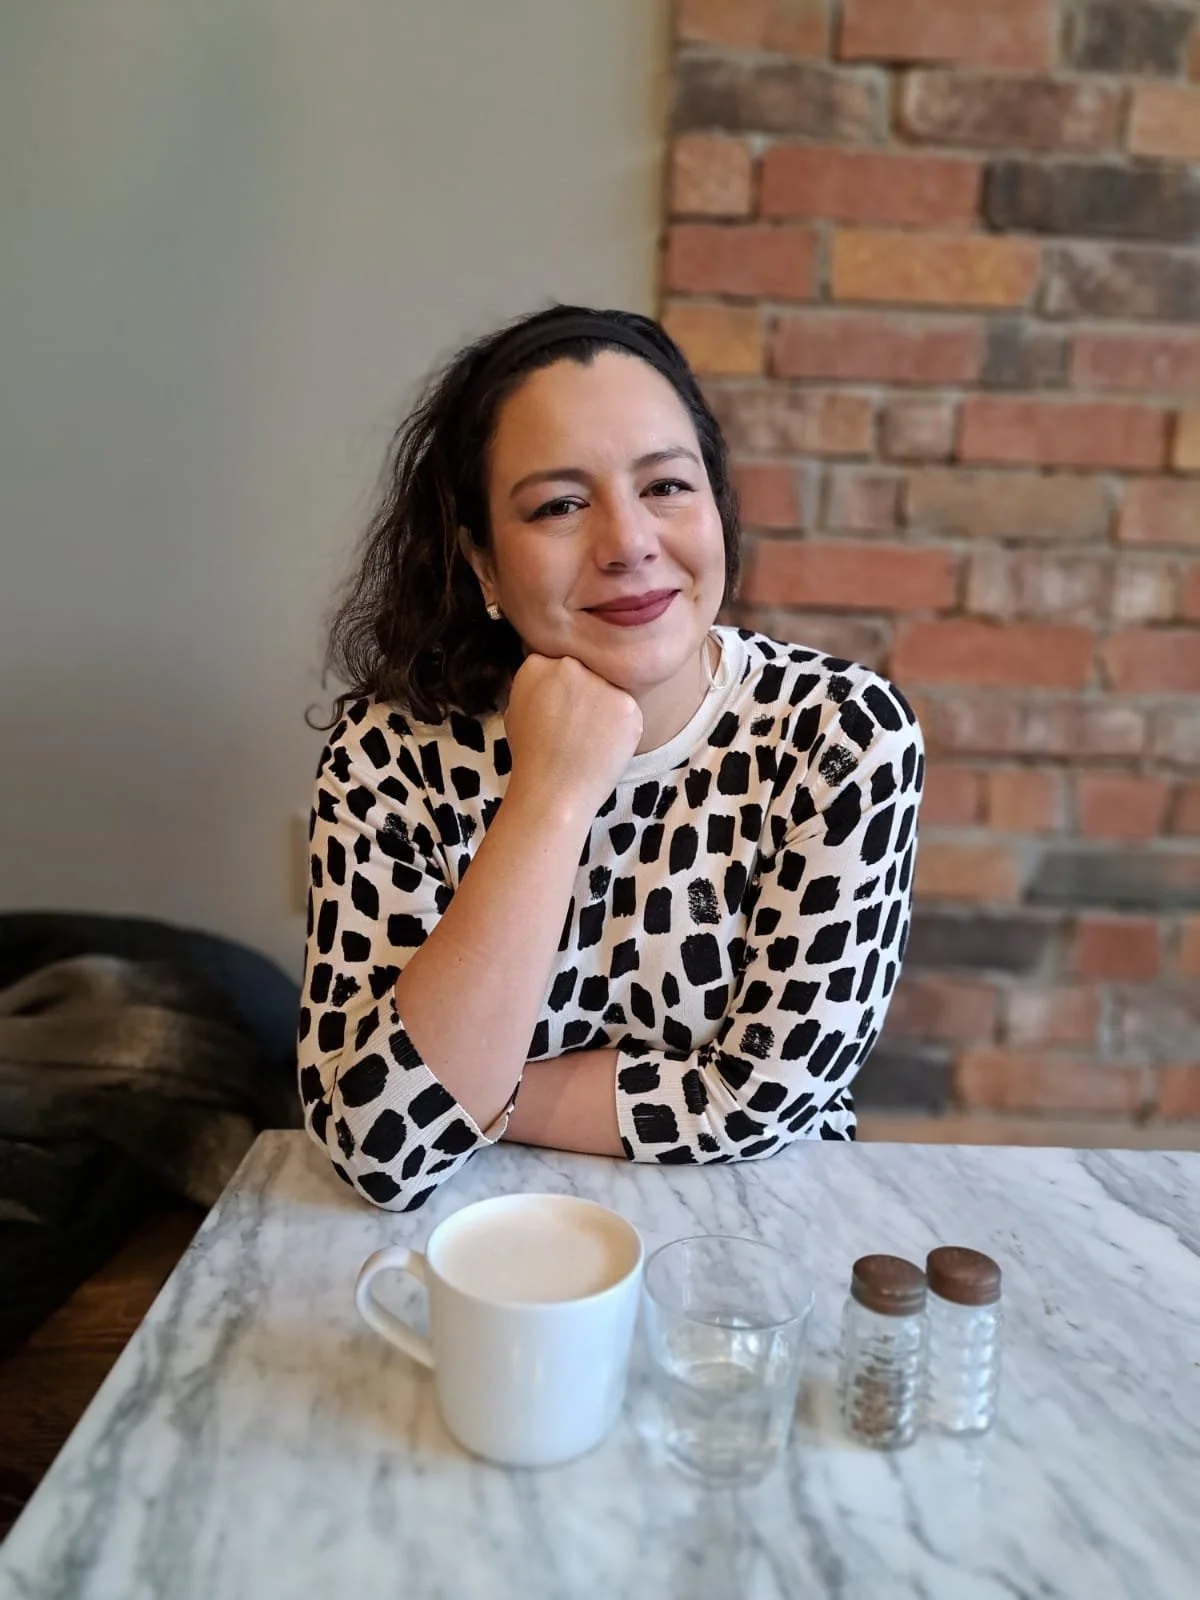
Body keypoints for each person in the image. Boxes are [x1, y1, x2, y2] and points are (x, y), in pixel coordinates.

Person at [298, 304, 923, 1211]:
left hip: (755, 1235)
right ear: (483, 564)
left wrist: (470, 1090)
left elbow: (757, 1103)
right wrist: (550, 797)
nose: (629, 544)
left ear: (716, 506)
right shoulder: (390, 756)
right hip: (473, 1242)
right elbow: (378, 1149)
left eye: (666, 486)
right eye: (559, 505)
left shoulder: (840, 737)